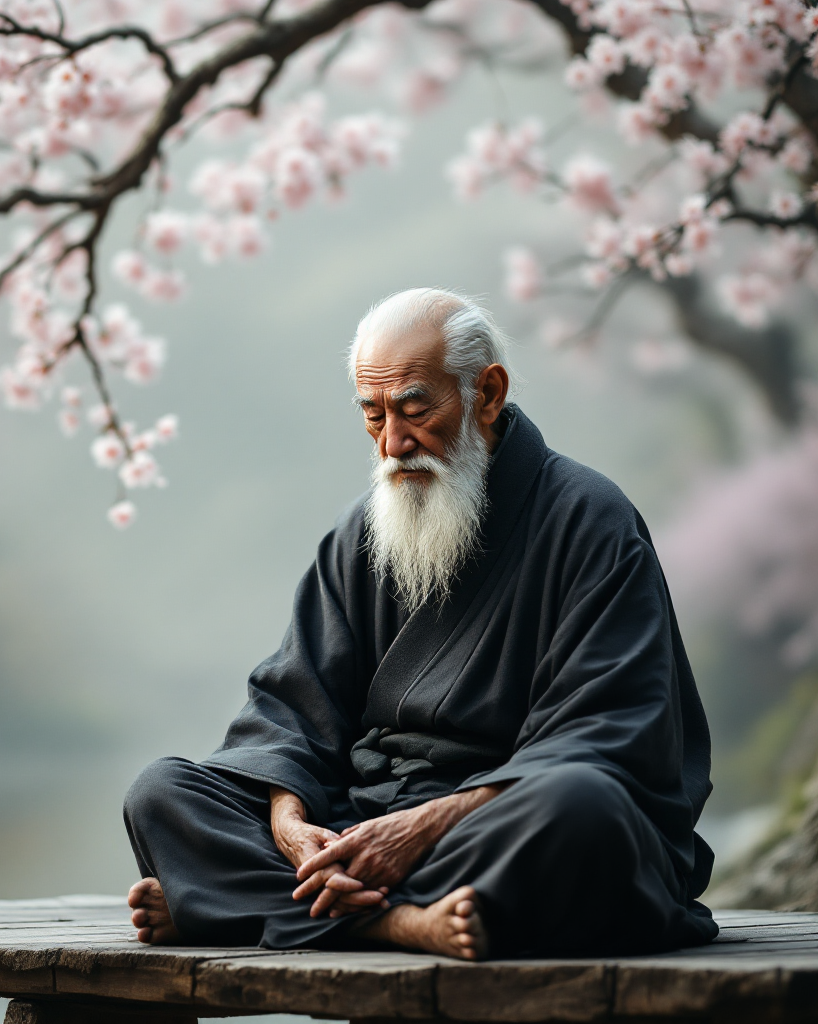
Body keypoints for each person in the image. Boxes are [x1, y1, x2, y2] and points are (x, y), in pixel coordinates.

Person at [123, 287, 718, 960]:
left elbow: (608, 733)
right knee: (163, 792)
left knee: (581, 808)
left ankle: (231, 906)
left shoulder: (588, 520)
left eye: (413, 409)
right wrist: (293, 828)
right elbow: (290, 709)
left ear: (486, 394)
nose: (393, 443)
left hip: (495, 819)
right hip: (365, 824)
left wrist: (423, 829)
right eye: (372, 416)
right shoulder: (362, 533)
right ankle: (402, 924)